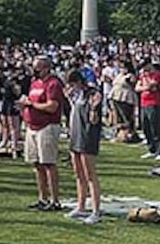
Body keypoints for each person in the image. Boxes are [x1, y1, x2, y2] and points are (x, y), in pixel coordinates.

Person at [22, 55, 64, 212]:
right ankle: (42, 197)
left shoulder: (53, 84)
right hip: (32, 126)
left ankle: (55, 200)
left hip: (47, 126)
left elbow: (52, 106)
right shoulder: (34, 83)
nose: (35, 71)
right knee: (36, 164)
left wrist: (33, 105)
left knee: (48, 163)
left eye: (37, 68)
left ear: (46, 68)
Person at [65, 69, 103, 223]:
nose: (71, 87)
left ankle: (95, 210)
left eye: (73, 84)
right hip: (75, 136)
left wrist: (94, 108)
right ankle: (80, 206)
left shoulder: (92, 94)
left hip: (87, 137)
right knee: (78, 174)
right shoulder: (75, 95)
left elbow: (94, 120)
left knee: (90, 175)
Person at [136, 61, 160, 161]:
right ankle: (152, 149)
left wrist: (146, 84)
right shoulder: (143, 76)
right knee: (145, 127)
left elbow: (153, 86)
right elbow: (137, 87)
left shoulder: (157, 75)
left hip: (154, 103)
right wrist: (145, 87)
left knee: (156, 128)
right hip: (143, 103)